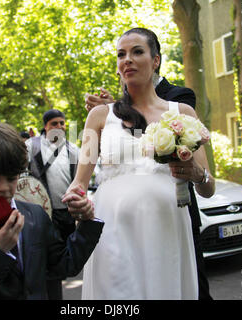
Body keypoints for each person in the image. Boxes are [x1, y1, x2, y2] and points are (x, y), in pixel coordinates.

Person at [62, 27, 215, 299]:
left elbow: (208, 188)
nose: (127, 59)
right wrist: (76, 199)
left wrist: (196, 173)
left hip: (167, 228)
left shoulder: (181, 113)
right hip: (112, 229)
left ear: (156, 60)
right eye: (121, 54)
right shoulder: (98, 116)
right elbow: (79, 184)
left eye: (137, 52)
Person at [0, 122, 103, 300]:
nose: (4, 187)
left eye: (11, 177)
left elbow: (64, 264)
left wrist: (88, 222)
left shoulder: (35, 215)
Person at [25, 109, 79, 300]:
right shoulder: (31, 146)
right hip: (40, 214)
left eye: (62, 123)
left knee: (60, 264)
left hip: (66, 214)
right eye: (54, 123)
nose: (59, 127)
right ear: (45, 126)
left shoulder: (74, 150)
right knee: (44, 262)